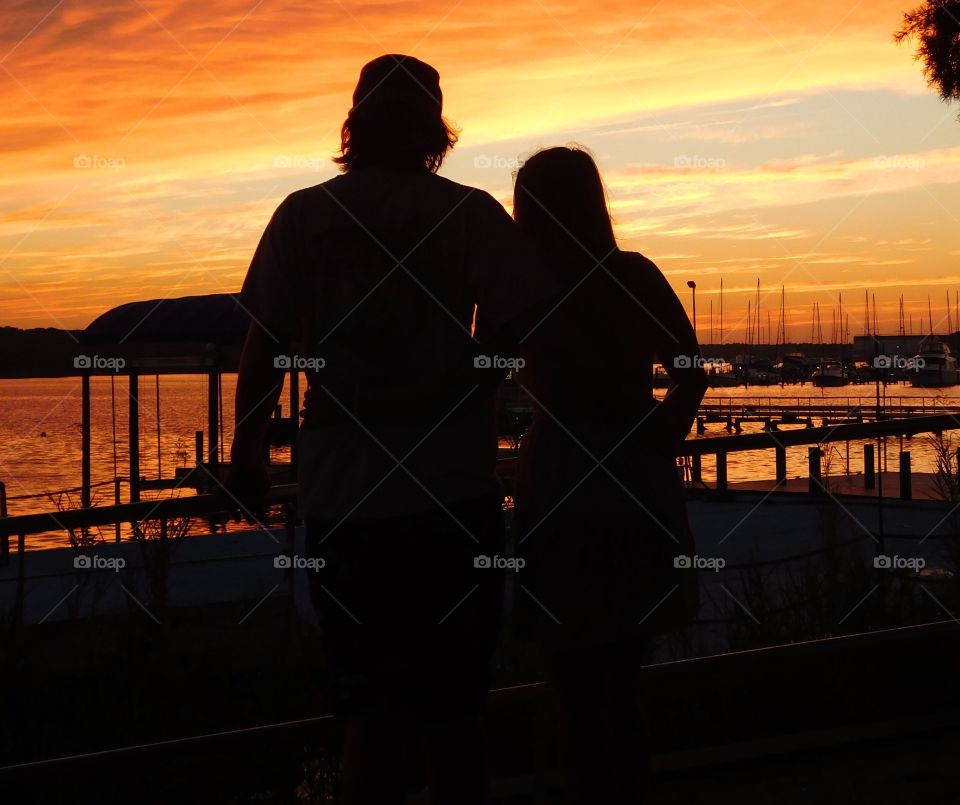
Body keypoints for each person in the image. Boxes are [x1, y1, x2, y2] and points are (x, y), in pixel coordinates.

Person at [227, 55, 555, 805]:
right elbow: (524, 331)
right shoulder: (470, 215)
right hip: (452, 492)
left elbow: (263, 348)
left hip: (344, 499)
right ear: (435, 129)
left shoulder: (303, 215)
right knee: (455, 714)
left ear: (354, 123)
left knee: (369, 712)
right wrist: (462, 380)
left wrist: (246, 455)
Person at [511, 145, 707, 805]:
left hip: (560, 473)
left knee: (571, 675)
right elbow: (691, 371)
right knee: (623, 674)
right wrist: (656, 437)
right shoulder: (634, 274)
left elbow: (474, 376)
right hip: (632, 473)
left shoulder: (524, 288)